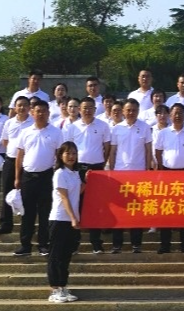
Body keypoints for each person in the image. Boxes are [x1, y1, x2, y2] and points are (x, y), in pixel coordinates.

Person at [13, 98, 63, 257]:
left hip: (46, 177)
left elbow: (59, 156)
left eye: (44, 111)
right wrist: (17, 177)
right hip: (28, 177)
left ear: (48, 113)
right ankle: (25, 245)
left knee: (45, 212)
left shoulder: (56, 132)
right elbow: (19, 156)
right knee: (27, 213)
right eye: (38, 111)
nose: (41, 114)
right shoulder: (26, 132)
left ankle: (43, 244)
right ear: (32, 113)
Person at [63, 96, 111, 254]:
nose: (87, 111)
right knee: (76, 204)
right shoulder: (72, 127)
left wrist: (102, 164)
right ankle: (74, 243)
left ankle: (96, 243)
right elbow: (67, 149)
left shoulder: (103, 126)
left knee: (96, 206)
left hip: (97, 169)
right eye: (84, 108)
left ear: (95, 110)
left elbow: (107, 147)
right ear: (79, 109)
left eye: (91, 108)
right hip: (77, 169)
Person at [109, 98, 154, 253]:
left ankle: (136, 244)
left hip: (138, 175)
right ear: (123, 111)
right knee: (118, 210)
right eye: (128, 110)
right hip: (119, 175)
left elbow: (148, 150)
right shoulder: (116, 129)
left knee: (136, 210)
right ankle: (117, 245)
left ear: (138, 111)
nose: (131, 113)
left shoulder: (145, 127)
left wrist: (147, 171)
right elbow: (113, 152)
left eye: (134, 110)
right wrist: (111, 171)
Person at [154, 103, 184, 254]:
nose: (178, 115)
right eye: (175, 113)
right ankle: (165, 244)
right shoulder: (163, 133)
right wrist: (161, 171)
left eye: (180, 113)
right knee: (166, 209)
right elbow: (158, 153)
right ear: (170, 115)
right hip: (168, 173)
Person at [46, 141, 81, 304]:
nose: (71, 156)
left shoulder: (74, 173)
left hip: (70, 220)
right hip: (59, 219)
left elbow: (77, 192)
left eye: (74, 153)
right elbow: (64, 197)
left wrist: (88, 180)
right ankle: (54, 289)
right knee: (56, 255)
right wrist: (73, 217)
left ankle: (62, 285)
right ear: (61, 155)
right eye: (68, 153)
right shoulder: (60, 173)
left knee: (66, 254)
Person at [0, 96, 32, 236]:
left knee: (27, 195)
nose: (22, 108)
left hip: (28, 162)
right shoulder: (9, 123)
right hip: (10, 161)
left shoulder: (33, 122)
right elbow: (5, 141)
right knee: (7, 191)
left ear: (29, 107)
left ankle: (27, 226)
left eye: (25, 105)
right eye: (19, 105)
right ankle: (6, 224)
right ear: (15, 108)